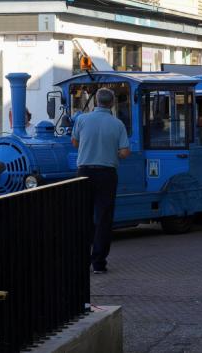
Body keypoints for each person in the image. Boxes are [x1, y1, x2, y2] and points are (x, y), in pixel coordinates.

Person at [71, 88, 130, 274]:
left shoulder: (81, 119)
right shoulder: (118, 124)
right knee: (103, 218)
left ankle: (80, 260)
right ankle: (98, 262)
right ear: (112, 103)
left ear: (96, 101)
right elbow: (125, 152)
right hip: (107, 174)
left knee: (82, 216)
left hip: (84, 172)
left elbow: (75, 141)